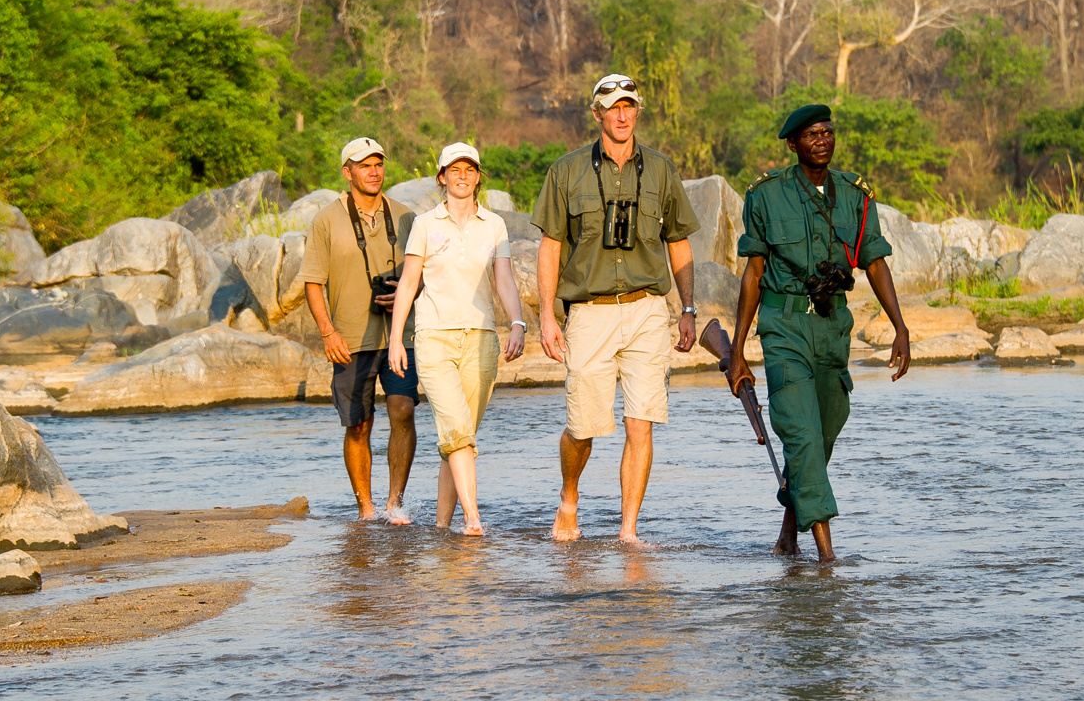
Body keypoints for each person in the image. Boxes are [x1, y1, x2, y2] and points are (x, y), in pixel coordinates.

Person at [724, 104, 912, 563]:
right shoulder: (766, 196)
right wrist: (736, 350)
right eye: (811, 135)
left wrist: (900, 328)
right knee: (801, 434)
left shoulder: (854, 196)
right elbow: (753, 272)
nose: (822, 140)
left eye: (827, 132)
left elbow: (874, 262)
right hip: (783, 325)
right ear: (793, 144)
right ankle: (827, 558)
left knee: (823, 434)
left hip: (832, 327)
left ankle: (787, 538)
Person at [532, 74, 702, 545]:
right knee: (583, 425)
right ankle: (569, 496)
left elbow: (679, 242)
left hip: (649, 310)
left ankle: (628, 531)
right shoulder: (566, 171)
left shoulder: (662, 170)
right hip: (589, 310)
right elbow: (549, 246)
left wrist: (687, 308)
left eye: (629, 105)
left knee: (641, 420)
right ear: (597, 113)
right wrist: (548, 315)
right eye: (613, 106)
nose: (623, 114)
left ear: (637, 111)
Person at [388, 143, 527, 536]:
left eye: (470, 170)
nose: (462, 176)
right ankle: (473, 520)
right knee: (457, 432)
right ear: (442, 177)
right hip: (433, 337)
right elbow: (409, 282)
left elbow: (503, 280)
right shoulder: (426, 224)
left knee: (458, 437)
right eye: (455, 170)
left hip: (481, 340)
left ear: (478, 176)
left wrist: (517, 322)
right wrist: (397, 339)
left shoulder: (494, 225)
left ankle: (442, 527)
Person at [301, 137, 420, 524]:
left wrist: (407, 291)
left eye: (378, 164)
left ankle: (394, 503)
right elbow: (313, 282)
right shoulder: (326, 219)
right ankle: (366, 509)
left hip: (399, 335)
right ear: (346, 171)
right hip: (350, 337)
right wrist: (327, 332)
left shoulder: (405, 217)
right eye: (364, 164)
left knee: (402, 410)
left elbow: (423, 273)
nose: (373, 171)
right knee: (359, 424)